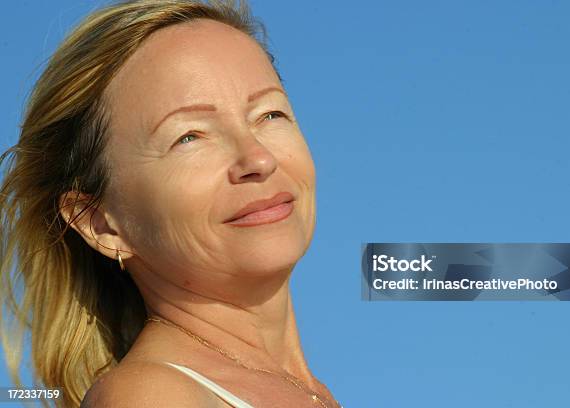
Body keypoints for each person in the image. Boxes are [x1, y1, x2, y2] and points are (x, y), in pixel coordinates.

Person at [0, 1, 342, 407]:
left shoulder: (312, 393)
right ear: (100, 223)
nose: (258, 159)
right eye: (189, 137)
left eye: (269, 114)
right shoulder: (149, 396)